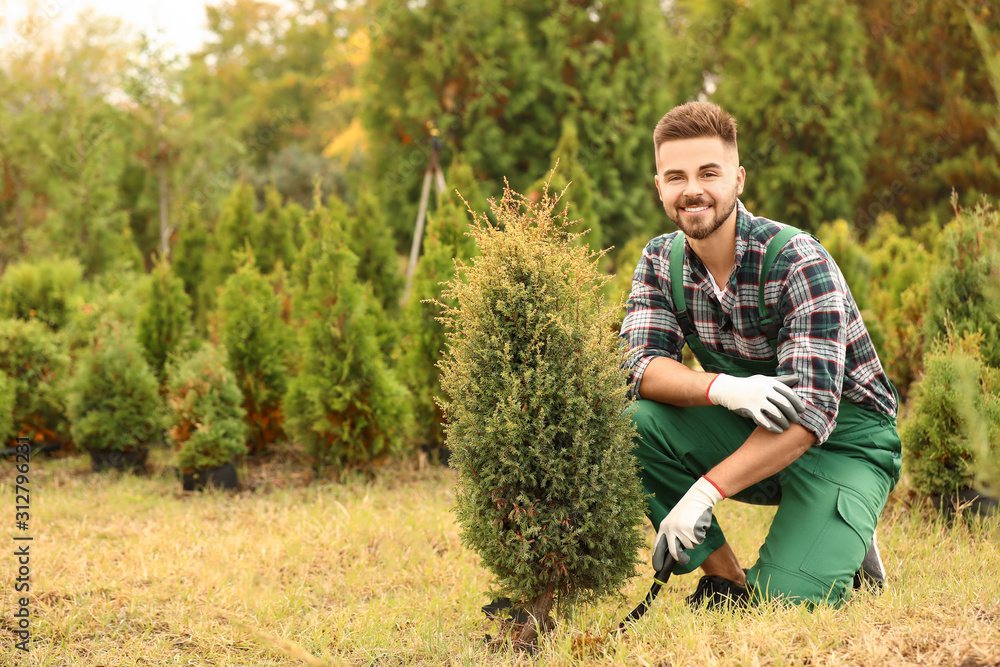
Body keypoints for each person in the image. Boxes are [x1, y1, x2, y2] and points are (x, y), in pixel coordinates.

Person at [619, 101, 901, 609]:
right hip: (753, 433)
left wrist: (704, 493)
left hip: (843, 441)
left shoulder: (798, 259)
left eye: (709, 172)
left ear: (739, 179)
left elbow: (810, 413)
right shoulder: (660, 260)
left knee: (783, 602)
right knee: (633, 420)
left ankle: (845, 518)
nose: (693, 190)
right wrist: (721, 387)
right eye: (676, 176)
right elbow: (637, 366)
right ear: (659, 186)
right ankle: (727, 578)